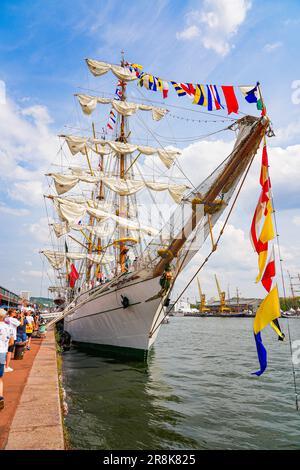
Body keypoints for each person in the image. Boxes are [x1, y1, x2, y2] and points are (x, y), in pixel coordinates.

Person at [0, 309, 14, 410]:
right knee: (0, 378)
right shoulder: (8, 327)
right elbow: (11, 342)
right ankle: (0, 397)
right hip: (2, 353)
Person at [4, 308, 21, 372]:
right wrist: (21, 317)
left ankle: (4, 363)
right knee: (9, 351)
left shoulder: (6, 318)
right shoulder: (13, 319)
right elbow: (20, 324)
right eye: (14, 312)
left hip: (5, 335)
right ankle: (7, 367)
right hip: (12, 336)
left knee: (5, 350)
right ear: (11, 313)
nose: (15, 313)